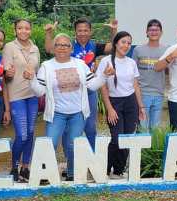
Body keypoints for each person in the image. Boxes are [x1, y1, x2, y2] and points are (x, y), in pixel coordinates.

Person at [31, 33, 114, 180]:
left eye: (66, 45)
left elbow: (92, 85)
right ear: (54, 48)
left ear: (71, 48)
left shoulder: (80, 64)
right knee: (50, 142)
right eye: (58, 45)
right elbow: (39, 92)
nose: (62, 48)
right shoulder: (46, 66)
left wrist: (104, 76)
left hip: (77, 113)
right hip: (56, 113)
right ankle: (44, 174)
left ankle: (71, 174)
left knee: (72, 145)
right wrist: (31, 79)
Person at [44, 17, 116, 149]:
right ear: (75, 32)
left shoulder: (94, 46)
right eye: (79, 30)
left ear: (90, 32)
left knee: (90, 127)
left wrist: (113, 31)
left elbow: (112, 48)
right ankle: (69, 161)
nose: (82, 33)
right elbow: (49, 49)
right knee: (68, 131)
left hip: (89, 91)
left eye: (85, 30)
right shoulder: (68, 45)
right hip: (70, 92)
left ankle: (92, 158)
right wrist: (49, 33)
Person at [98, 31, 146, 178]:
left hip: (130, 102)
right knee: (116, 137)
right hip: (114, 102)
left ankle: (118, 171)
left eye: (129, 43)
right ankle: (104, 170)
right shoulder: (106, 61)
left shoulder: (131, 62)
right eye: (123, 42)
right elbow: (103, 87)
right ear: (116, 43)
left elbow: (135, 85)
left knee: (128, 137)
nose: (126, 45)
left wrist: (141, 106)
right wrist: (110, 109)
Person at [3, 19, 41, 182]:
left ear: (30, 30)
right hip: (16, 95)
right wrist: (7, 73)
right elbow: (5, 72)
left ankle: (26, 167)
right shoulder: (9, 47)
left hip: (32, 95)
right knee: (22, 134)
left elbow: (37, 72)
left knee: (31, 132)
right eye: (20, 28)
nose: (23, 31)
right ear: (15, 30)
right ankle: (14, 166)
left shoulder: (35, 49)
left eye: (27, 28)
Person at [132, 19, 168, 130]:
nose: (154, 32)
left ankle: (153, 148)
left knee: (155, 130)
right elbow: (133, 73)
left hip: (158, 94)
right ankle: (143, 148)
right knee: (142, 129)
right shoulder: (138, 50)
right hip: (142, 94)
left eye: (157, 30)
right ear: (146, 32)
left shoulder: (166, 50)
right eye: (151, 30)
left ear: (161, 32)